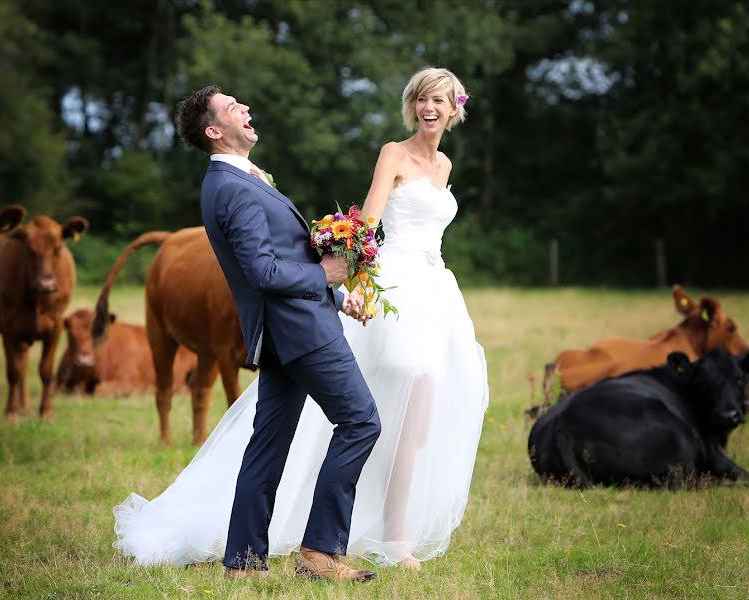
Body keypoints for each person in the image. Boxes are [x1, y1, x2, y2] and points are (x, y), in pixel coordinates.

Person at [113, 67, 488, 574]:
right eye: (232, 108)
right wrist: (330, 273)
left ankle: (244, 560)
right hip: (297, 329)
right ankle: (320, 551)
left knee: (268, 443)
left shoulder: (241, 179)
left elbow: (277, 257)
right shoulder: (231, 188)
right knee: (361, 421)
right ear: (214, 131)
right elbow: (264, 271)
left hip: (291, 326)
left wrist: (335, 294)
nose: (245, 109)